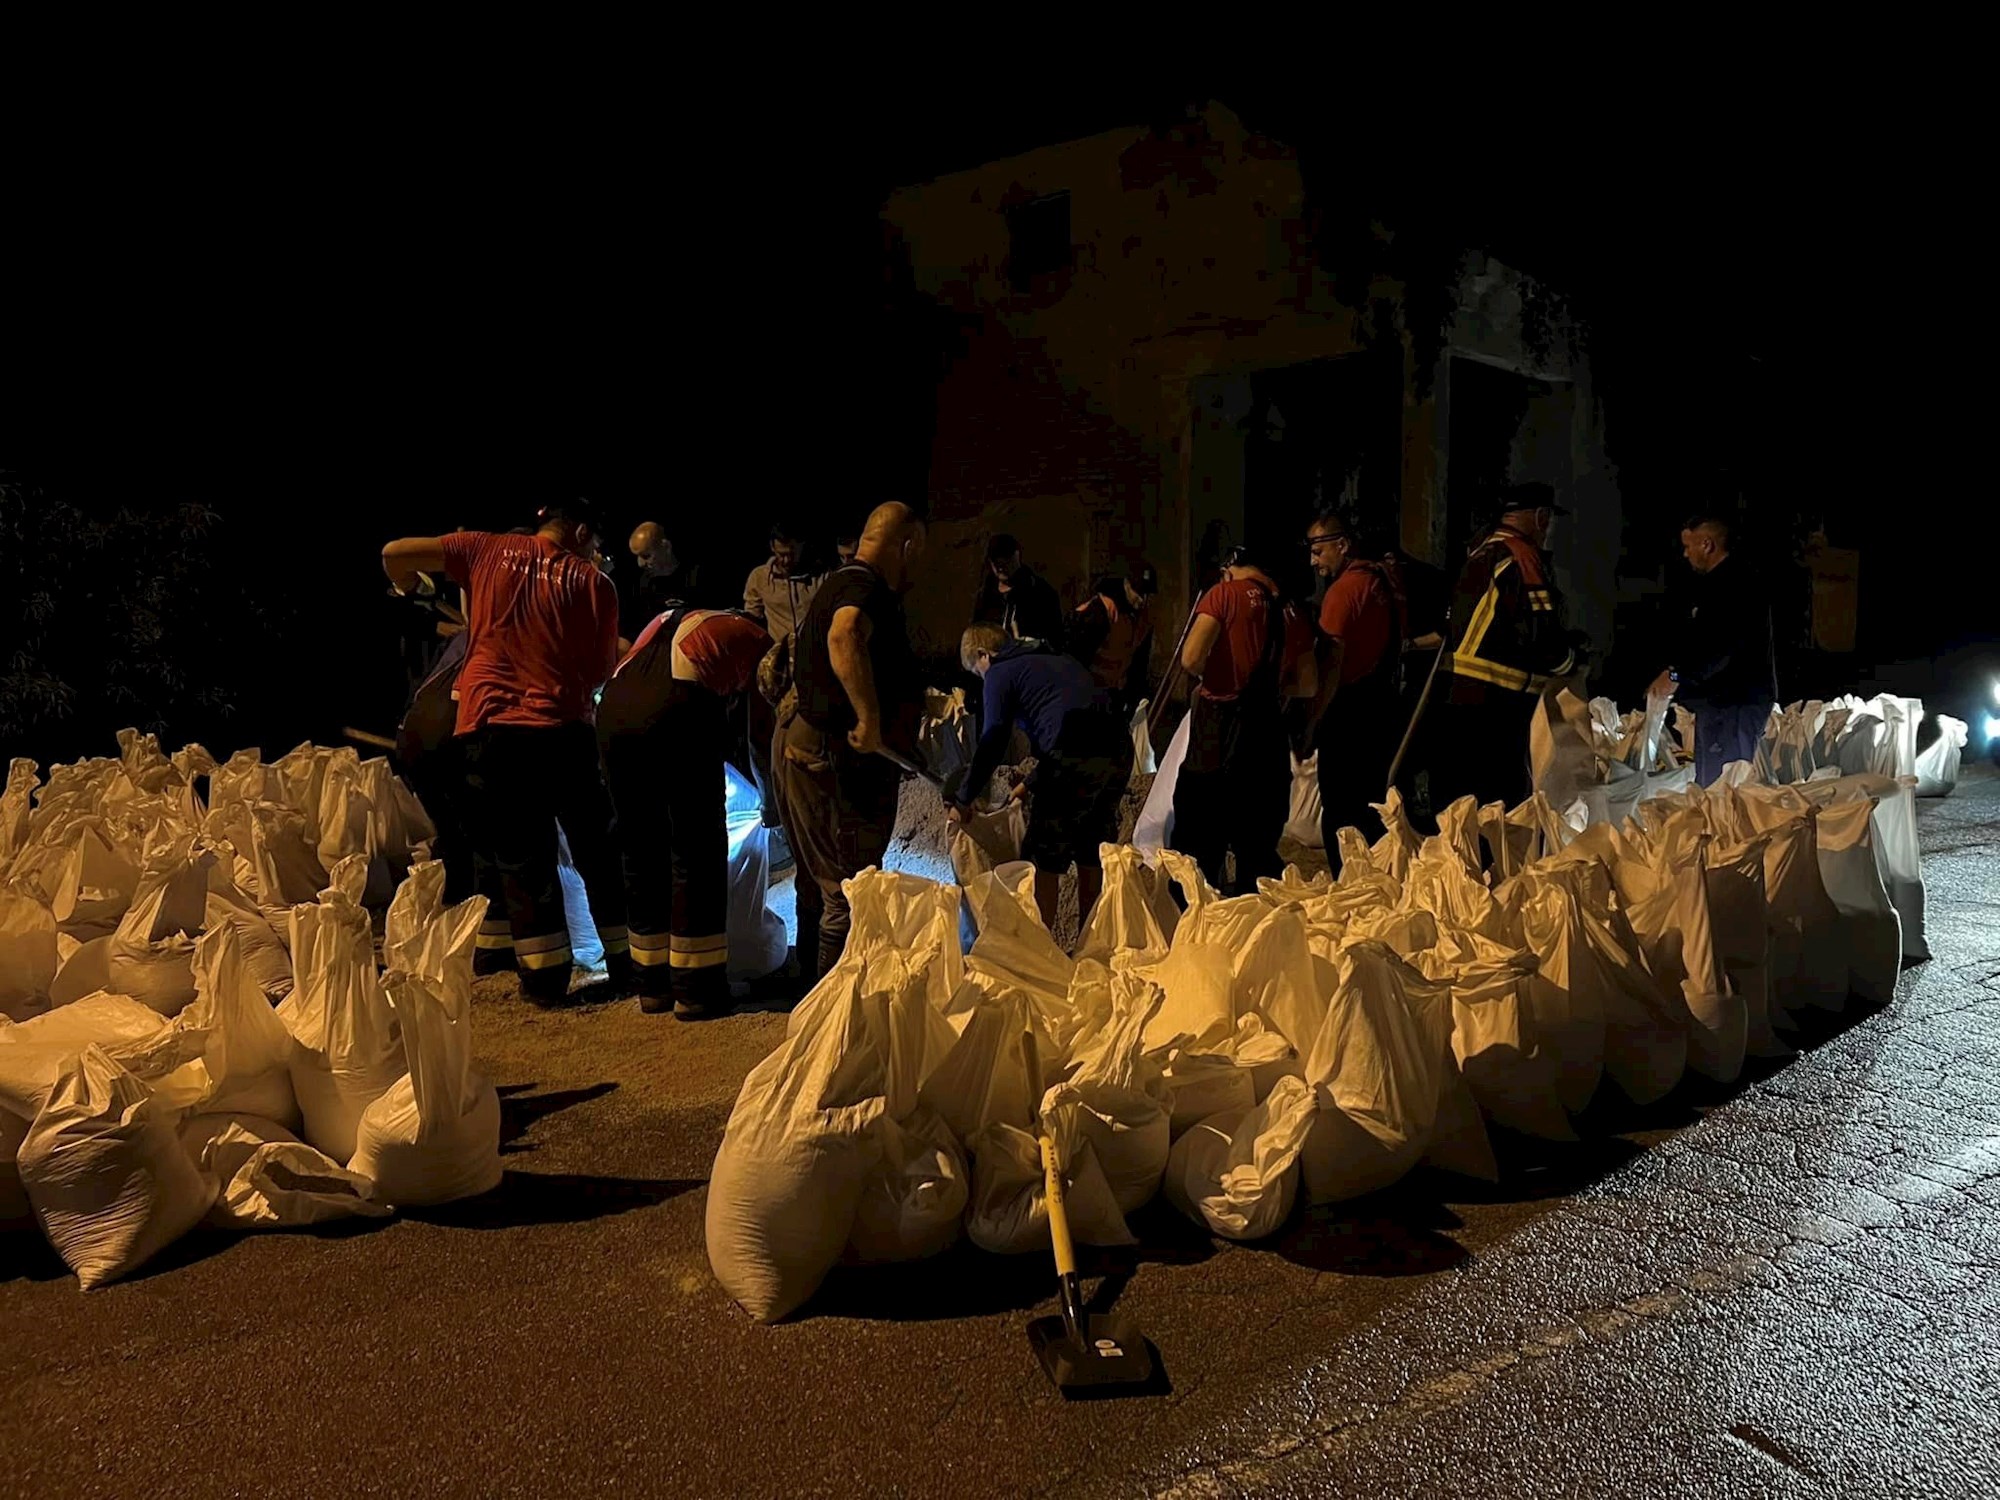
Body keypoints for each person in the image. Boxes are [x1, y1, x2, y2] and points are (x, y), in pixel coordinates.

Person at [381, 501, 630, 1002]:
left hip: (491, 731)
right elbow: (602, 670)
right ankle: (629, 964)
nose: (597, 555)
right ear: (580, 531)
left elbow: (393, 553)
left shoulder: (484, 548)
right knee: (597, 852)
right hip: (562, 728)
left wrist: (412, 589)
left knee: (522, 857)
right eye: (596, 546)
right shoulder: (593, 582)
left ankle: (544, 980)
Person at [776, 502, 927, 981]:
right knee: (847, 888)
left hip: (812, 747)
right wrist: (869, 718)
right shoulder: (863, 586)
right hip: (831, 760)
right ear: (906, 547)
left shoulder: (842, 581)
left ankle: (809, 988)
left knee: (817, 883)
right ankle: (830, 1014)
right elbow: (845, 636)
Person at [598, 603, 772, 1020]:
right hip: (676, 708)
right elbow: (759, 729)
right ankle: (698, 989)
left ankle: (652, 986)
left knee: (641, 851)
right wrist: (771, 797)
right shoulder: (757, 639)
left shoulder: (663, 624)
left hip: (612, 716)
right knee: (696, 851)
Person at [953, 623, 1133, 937]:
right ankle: (1090, 947)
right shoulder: (1051, 657)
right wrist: (1029, 784)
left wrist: (963, 798)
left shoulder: (1000, 671)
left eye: (976, 672)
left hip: (1076, 746)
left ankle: (1039, 951)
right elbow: (1071, 723)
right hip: (1117, 747)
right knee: (1091, 845)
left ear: (982, 654)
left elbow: (994, 738)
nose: (982, 680)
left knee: (1042, 856)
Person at [1434, 483, 1584, 815]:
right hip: (1498, 704)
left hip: (1460, 699)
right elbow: (1542, 633)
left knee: (1461, 804)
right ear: (1541, 517)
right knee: (1502, 804)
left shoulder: (1483, 551)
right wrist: (1571, 661)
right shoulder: (1521, 555)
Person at [1171, 545, 1312, 896]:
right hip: (1266, 732)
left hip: (1218, 731)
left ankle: (1196, 921)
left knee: (1199, 834)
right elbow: (1307, 684)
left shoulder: (1224, 595)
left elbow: (1190, 658)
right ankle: (1253, 927)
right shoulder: (1292, 611)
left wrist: (1218, 677)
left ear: (1232, 568)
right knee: (1257, 839)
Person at [1301, 511, 1405, 865]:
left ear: (1342, 545)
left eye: (1318, 551)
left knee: (1342, 810)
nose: (1313, 562)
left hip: (1349, 713)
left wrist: (1312, 721)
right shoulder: (1383, 582)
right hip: (1383, 706)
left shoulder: (1345, 591)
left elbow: (1331, 663)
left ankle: (1350, 889)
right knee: (1372, 807)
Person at [1651, 510, 1779, 786]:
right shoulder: (1724, 582)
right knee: (1714, 780)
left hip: (1733, 702)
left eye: (1688, 546)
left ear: (1706, 544)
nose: (1685, 555)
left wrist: (1675, 677)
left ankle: (1725, 830)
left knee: (1722, 785)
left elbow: (1716, 648)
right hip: (1725, 702)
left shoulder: (1732, 585)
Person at [741, 521, 822, 840]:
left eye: (791, 553)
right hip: (775, 669)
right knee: (763, 741)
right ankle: (774, 813)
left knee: (806, 739)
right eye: (779, 553)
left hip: (812, 665)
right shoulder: (760, 578)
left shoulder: (819, 576)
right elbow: (752, 618)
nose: (785, 560)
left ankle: (813, 809)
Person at [1068, 561, 1160, 717]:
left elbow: (1139, 663)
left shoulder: (1144, 619)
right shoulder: (1102, 610)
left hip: (1116, 693)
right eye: (1138, 592)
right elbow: (1076, 655)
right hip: (1088, 692)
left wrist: (1135, 699)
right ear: (1126, 584)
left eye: (1147, 594)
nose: (1142, 599)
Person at [971, 534, 1066, 645]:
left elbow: (1054, 638)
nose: (1000, 566)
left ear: (1017, 554)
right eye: (995, 561)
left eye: (1006, 559)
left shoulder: (1041, 593)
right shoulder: (987, 594)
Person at [625, 522, 706, 636]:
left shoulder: (697, 576)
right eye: (637, 556)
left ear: (666, 547)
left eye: (646, 556)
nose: (640, 563)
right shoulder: (643, 586)